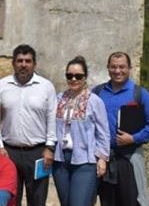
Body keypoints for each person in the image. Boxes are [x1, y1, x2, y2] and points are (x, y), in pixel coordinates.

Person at [95, 52, 149, 206]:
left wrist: (133, 138)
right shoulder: (98, 92)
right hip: (104, 160)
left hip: (129, 158)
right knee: (107, 201)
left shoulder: (139, 94)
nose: (118, 71)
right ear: (108, 68)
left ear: (129, 68)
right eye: (113, 67)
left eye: (122, 67)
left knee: (132, 201)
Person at [0, 44, 56, 206]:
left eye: (28, 61)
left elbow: (52, 118)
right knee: (10, 198)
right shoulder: (1, 86)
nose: (23, 64)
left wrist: (50, 147)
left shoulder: (46, 86)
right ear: (13, 63)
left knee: (37, 199)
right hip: (9, 152)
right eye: (19, 61)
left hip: (38, 153)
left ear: (34, 64)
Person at [52, 56, 110, 206]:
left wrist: (102, 158)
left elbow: (103, 132)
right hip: (60, 160)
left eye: (78, 76)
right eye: (69, 75)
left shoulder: (94, 101)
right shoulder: (59, 99)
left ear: (85, 77)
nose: (73, 79)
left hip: (85, 161)